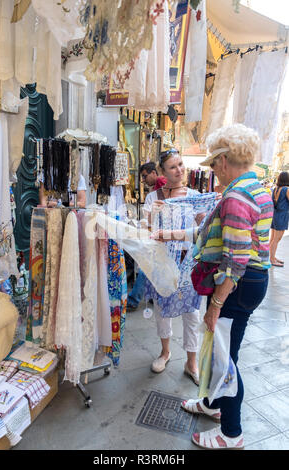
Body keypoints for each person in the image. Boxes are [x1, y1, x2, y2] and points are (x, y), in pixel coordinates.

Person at [180, 124, 273, 450]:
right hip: (251, 282)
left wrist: (217, 304)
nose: (212, 170)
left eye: (213, 163)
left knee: (224, 358)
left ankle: (230, 433)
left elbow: (235, 258)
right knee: (221, 350)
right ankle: (211, 404)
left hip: (237, 285)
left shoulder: (236, 196)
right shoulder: (256, 188)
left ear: (223, 160)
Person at [144, 149, 215, 384]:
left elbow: (202, 232)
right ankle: (165, 352)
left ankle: (191, 361)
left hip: (188, 264)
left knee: (191, 314)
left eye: (181, 164)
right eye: (173, 167)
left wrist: (200, 219)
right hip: (162, 263)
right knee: (162, 311)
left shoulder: (194, 196)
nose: (180, 170)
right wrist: (154, 216)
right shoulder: (153, 198)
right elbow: (146, 231)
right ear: (163, 172)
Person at [126, 162, 167, 311]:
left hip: (162, 237)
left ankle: (134, 300)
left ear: (154, 173)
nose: (143, 180)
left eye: (144, 176)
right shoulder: (154, 193)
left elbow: (150, 218)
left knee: (146, 267)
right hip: (160, 236)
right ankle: (149, 296)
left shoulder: (159, 192)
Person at [269, 171, 289, 267]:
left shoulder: (275, 189)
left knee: (273, 238)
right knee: (277, 239)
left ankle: (271, 257)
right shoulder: (286, 189)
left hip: (275, 214)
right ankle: (272, 259)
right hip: (282, 215)